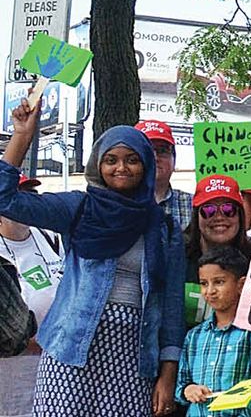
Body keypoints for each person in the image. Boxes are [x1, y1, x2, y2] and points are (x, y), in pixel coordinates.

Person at [2, 106, 187, 416]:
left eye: (132, 160)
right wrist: (21, 135)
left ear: (146, 166)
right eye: (111, 160)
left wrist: (167, 377)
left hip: (132, 359)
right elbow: (5, 198)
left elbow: (172, 312)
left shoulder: (165, 229)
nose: (121, 168)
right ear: (97, 165)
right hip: (68, 352)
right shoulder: (79, 208)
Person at [175, 246, 251, 417]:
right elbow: (181, 385)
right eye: (204, 283)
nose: (210, 291)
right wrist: (189, 390)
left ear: (241, 285)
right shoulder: (195, 336)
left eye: (219, 282)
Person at [0, 175, 61, 416]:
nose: (25, 203)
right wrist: (31, 341)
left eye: (30, 195)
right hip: (10, 379)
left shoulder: (52, 237)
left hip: (52, 375)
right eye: (16, 196)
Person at [186, 175, 251, 327]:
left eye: (228, 209)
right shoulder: (178, 255)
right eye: (208, 210)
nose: (219, 217)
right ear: (196, 216)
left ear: (240, 215)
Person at [136, 120, 194, 230]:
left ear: (174, 159)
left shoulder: (194, 205)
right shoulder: (116, 204)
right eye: (147, 151)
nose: (155, 157)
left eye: (162, 150)